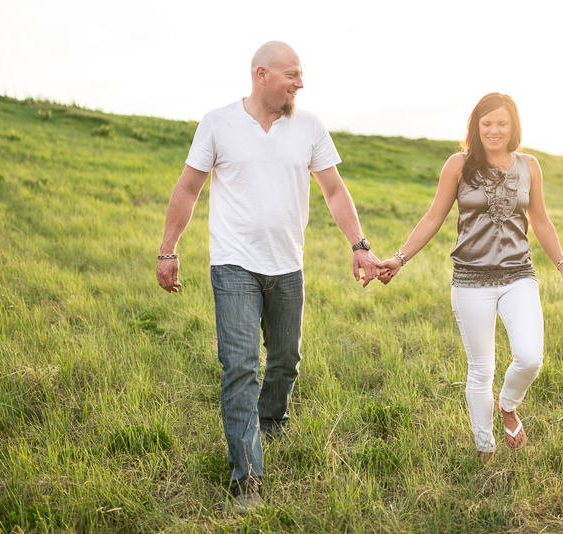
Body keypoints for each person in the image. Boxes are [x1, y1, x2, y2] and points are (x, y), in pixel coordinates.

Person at [156, 41, 381, 511]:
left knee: (285, 360)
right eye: (292, 75)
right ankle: (247, 477)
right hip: (233, 264)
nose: (301, 83)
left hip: (288, 266)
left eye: (300, 76)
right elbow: (189, 188)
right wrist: (168, 249)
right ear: (261, 75)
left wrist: (358, 246)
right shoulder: (217, 123)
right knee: (240, 366)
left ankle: (271, 424)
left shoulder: (310, 127)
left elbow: (335, 190)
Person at [377, 93, 563, 463]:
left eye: (501, 123)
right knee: (481, 370)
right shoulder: (459, 165)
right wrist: (399, 258)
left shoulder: (529, 166)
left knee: (530, 358)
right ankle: (484, 449)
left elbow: (540, 220)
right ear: (476, 126)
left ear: (513, 127)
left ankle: (508, 405)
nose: (494, 130)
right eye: (486, 123)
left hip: (518, 274)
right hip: (470, 279)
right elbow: (433, 217)